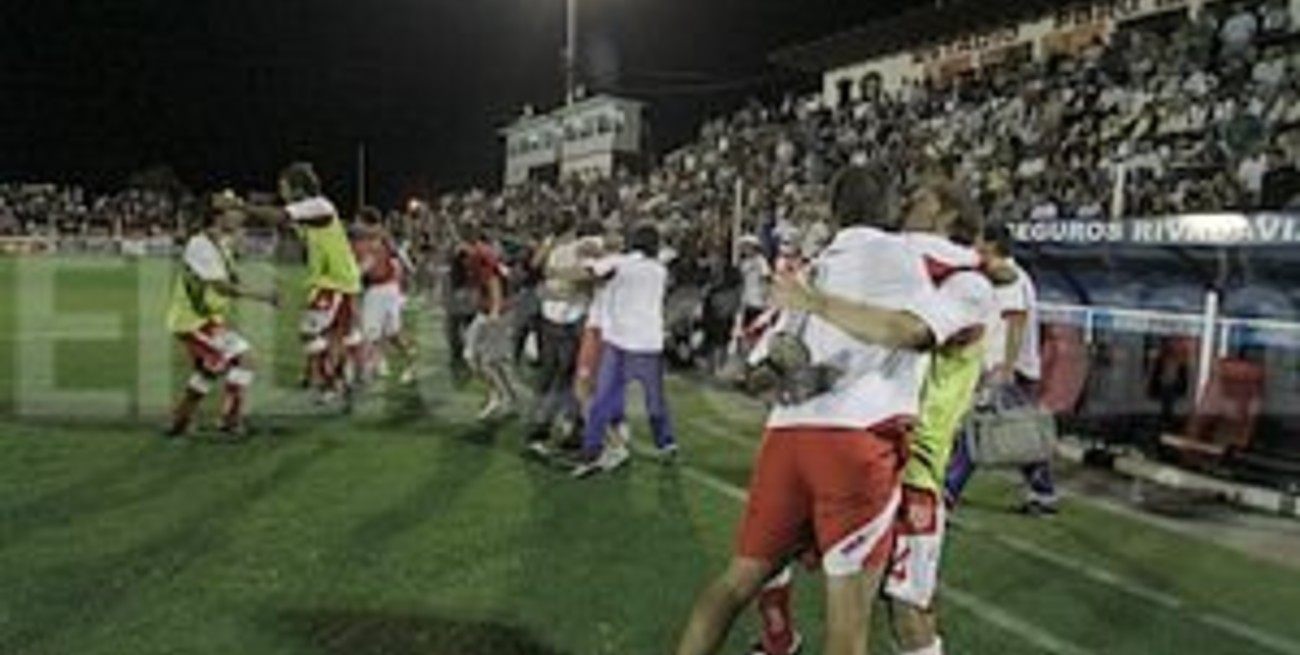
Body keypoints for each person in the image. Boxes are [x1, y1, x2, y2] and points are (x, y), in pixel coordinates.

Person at [674, 166, 982, 655]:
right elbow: (917, 325)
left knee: (736, 584)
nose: (911, 205)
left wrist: (796, 361)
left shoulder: (812, 269)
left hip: (787, 435)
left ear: (834, 213)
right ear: (888, 208)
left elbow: (758, 372)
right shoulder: (915, 258)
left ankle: (774, 639)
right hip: (860, 440)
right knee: (852, 626)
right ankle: (780, 638)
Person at [945, 223, 1058, 515]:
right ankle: (1043, 492)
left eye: (980, 240)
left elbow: (1015, 321)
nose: (975, 245)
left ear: (992, 244)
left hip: (1009, 369)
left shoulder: (1010, 276)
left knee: (978, 430)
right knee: (1020, 432)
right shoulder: (1007, 274)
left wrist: (1006, 367)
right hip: (1009, 367)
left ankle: (949, 489)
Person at [240, 163, 364, 407]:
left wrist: (239, 206)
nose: (281, 191)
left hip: (335, 282)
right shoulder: (310, 211)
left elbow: (280, 216)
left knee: (309, 332)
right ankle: (340, 381)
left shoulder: (320, 205)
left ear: (298, 188)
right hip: (335, 281)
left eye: (284, 186)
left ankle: (333, 382)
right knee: (332, 336)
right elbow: (286, 222)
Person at [165, 193, 279, 439]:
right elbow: (220, 287)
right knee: (244, 359)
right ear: (218, 216)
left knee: (208, 371)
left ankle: (180, 420)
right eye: (235, 211)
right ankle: (230, 420)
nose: (241, 216)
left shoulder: (219, 243)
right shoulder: (200, 245)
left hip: (205, 320)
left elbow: (229, 276)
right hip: (193, 322)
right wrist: (262, 295)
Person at [570, 224, 676, 478]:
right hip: (649, 343)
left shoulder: (620, 263)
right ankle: (666, 442)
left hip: (621, 342)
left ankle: (592, 453)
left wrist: (584, 255)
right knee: (654, 399)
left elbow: (589, 270)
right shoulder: (659, 269)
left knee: (601, 399)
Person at [524, 213, 602, 457]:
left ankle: (542, 427)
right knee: (573, 378)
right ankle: (567, 431)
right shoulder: (581, 246)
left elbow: (536, 267)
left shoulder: (553, 246)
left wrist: (554, 271)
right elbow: (587, 276)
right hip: (572, 320)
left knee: (552, 376)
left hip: (551, 318)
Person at [463, 225, 523, 421]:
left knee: (489, 361)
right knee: (473, 357)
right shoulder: (485, 254)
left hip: (497, 312)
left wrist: (495, 311)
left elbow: (493, 282)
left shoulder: (482, 255)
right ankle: (501, 395)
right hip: (489, 311)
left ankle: (503, 397)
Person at [353, 207, 416, 385]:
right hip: (386, 289)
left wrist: (356, 274)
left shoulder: (375, 237)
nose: (356, 224)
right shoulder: (375, 237)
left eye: (358, 221)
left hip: (381, 290)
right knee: (392, 334)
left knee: (370, 333)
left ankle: (365, 373)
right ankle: (405, 364)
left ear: (366, 222)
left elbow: (369, 263)